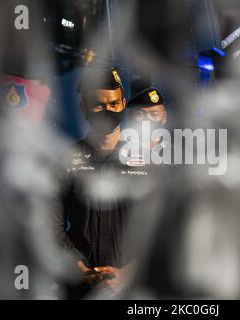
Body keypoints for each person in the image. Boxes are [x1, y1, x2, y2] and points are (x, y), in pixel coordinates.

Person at [52, 67, 136, 299]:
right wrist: (80, 268)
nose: (107, 111)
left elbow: (161, 227)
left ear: (123, 104)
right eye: (98, 105)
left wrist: (129, 273)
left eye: (114, 104)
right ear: (84, 108)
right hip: (80, 288)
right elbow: (51, 225)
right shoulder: (67, 160)